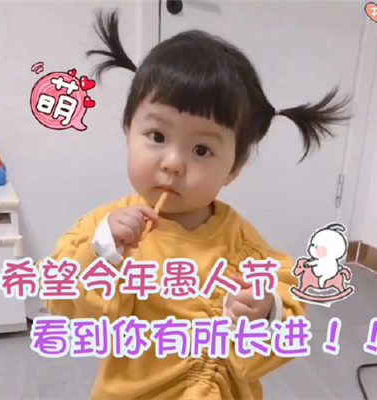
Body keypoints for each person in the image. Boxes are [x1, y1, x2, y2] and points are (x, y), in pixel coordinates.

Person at [42, 10, 351, 400]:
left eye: (201, 149)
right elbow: (64, 304)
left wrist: (266, 310)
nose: (173, 162)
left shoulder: (241, 246)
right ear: (128, 131)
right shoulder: (104, 230)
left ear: (233, 168)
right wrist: (102, 254)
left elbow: (289, 309)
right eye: (157, 136)